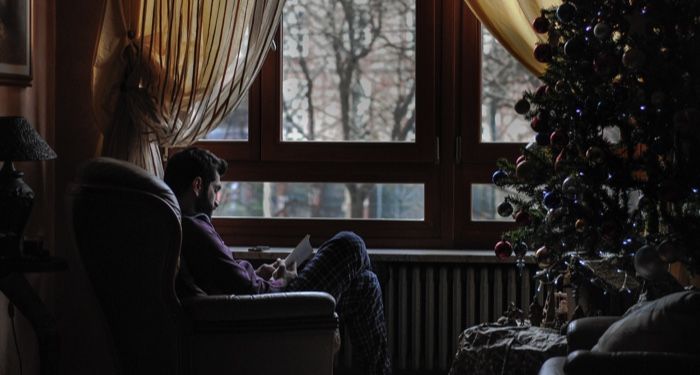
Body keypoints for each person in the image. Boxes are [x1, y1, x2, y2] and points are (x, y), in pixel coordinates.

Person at [163, 147, 391, 375]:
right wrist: (282, 281)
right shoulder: (194, 229)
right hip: (271, 310)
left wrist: (258, 272)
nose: (217, 202)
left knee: (365, 284)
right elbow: (243, 288)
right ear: (197, 186)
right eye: (216, 190)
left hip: (264, 301)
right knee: (350, 243)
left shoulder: (188, 228)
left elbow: (229, 277)